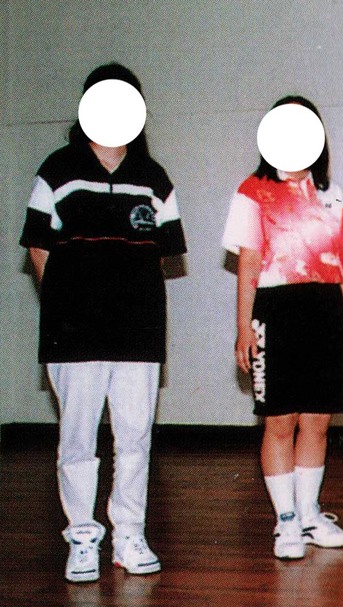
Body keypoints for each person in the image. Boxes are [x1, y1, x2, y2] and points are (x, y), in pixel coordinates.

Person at [19, 63, 186, 582]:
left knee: (135, 438)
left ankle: (129, 536)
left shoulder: (154, 178)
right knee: (78, 440)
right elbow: (38, 246)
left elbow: (162, 252)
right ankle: (83, 538)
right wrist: (68, 302)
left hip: (138, 331)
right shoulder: (57, 170)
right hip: (73, 333)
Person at [222, 96, 343, 560]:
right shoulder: (252, 192)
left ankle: (309, 514)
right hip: (276, 310)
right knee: (280, 421)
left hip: (325, 310)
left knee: (317, 421)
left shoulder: (333, 194)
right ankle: (285, 520)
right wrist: (244, 327)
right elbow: (248, 264)